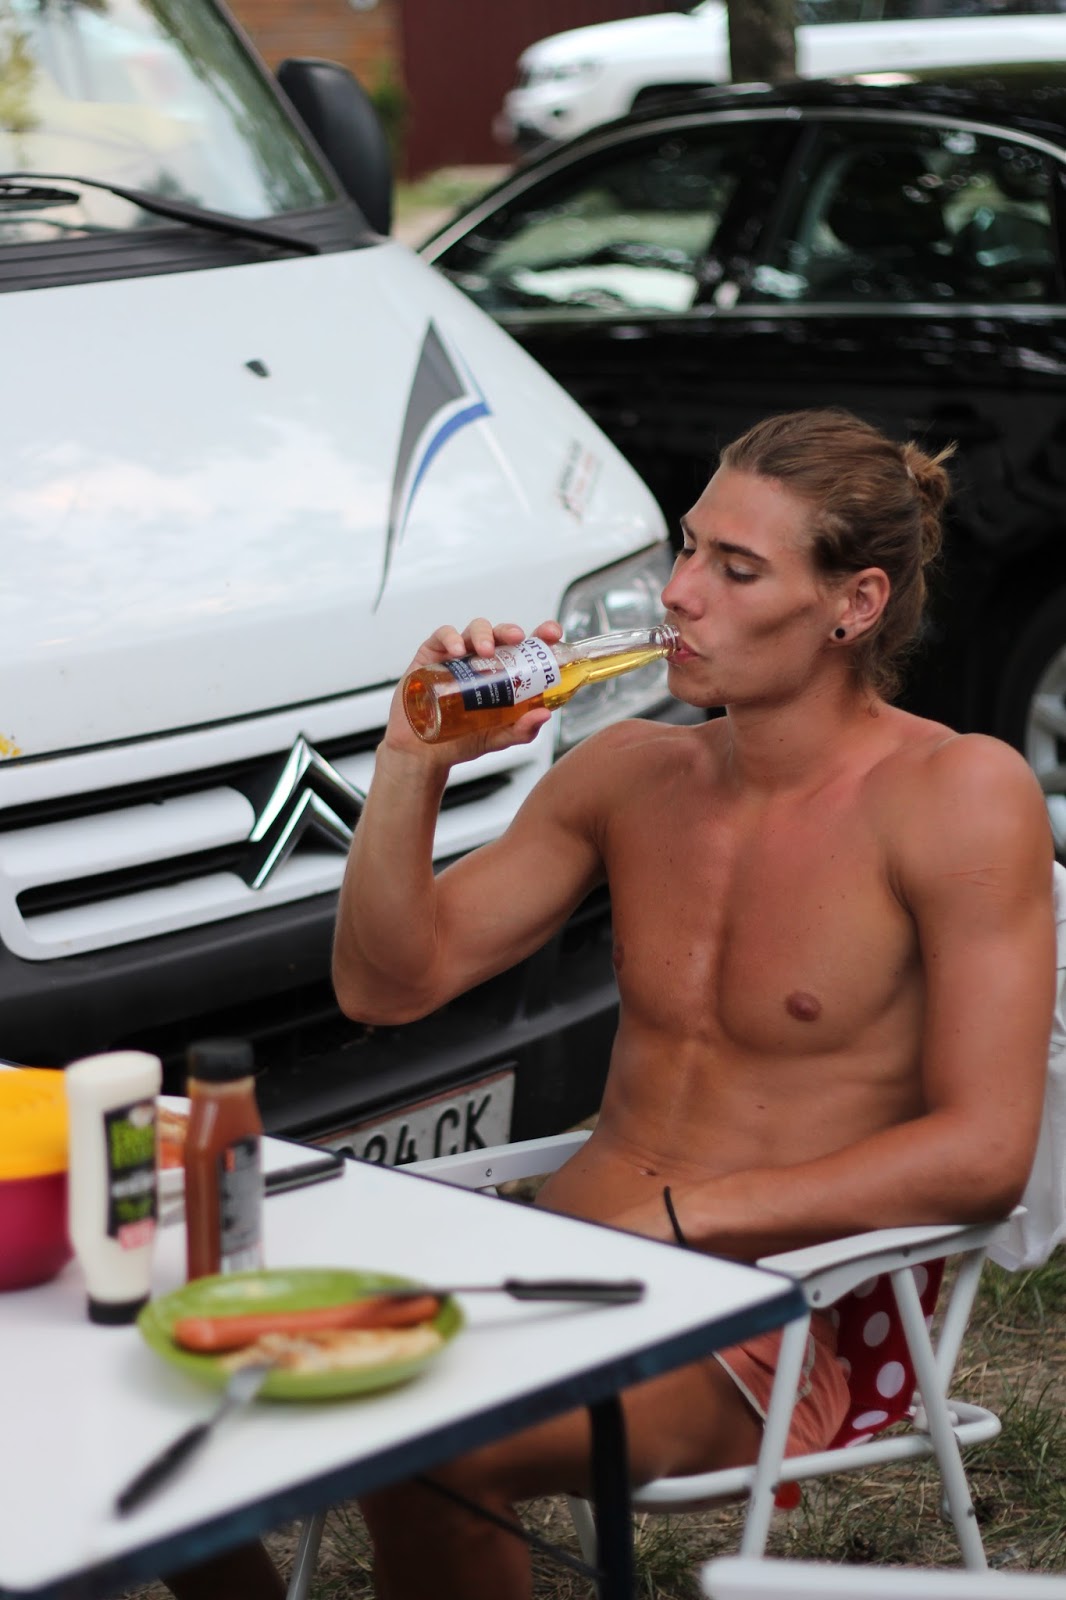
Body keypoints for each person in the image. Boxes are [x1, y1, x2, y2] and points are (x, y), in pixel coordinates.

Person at [181, 407, 1058, 1600]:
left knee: (417, 1435)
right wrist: (411, 761)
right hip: (542, 1264)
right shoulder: (631, 773)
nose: (678, 593)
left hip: (758, 1322)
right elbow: (386, 983)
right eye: (688, 547)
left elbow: (983, 1154)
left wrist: (685, 1219)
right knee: (163, 1344)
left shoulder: (955, 794)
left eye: (735, 568)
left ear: (852, 604)